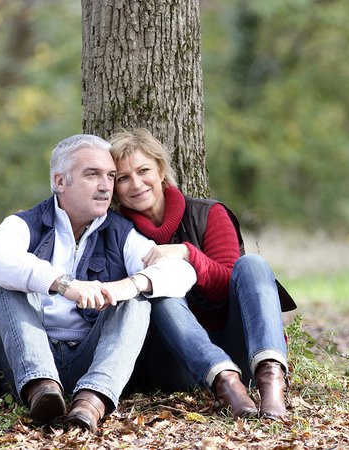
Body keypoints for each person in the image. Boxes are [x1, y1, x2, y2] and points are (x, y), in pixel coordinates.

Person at [0, 134, 196, 432]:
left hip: (92, 360)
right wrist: (64, 284)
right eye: (92, 175)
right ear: (60, 181)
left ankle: (92, 401)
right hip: (24, 361)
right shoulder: (25, 223)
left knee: (138, 296)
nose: (106, 186)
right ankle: (42, 390)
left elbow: (182, 273)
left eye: (110, 176)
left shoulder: (121, 233)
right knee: (8, 286)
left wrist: (127, 286)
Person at [108, 128, 297, 420]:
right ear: (115, 187)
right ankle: (225, 382)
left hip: (239, 351)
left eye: (143, 170)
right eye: (123, 178)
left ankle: (271, 384)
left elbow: (225, 289)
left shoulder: (209, 214)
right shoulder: (118, 233)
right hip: (177, 361)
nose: (136, 183)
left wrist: (186, 253)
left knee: (253, 266)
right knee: (159, 292)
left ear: (160, 169)